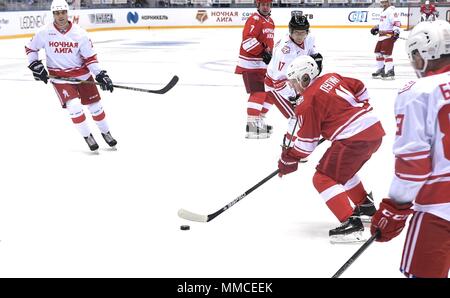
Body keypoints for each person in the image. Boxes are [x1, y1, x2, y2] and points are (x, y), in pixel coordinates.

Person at [370, 20, 450, 278]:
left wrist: (395, 207)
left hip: (439, 208)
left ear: (422, 53)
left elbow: (413, 166)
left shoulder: (418, 92)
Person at [277, 55, 385, 243]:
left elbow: (306, 144)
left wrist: (289, 158)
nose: (292, 87)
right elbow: (359, 86)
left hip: (354, 138)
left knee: (323, 178)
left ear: (305, 77)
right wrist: (363, 106)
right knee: (342, 170)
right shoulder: (331, 77)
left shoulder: (306, 102)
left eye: (294, 82)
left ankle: (351, 224)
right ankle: (366, 208)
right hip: (373, 129)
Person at [25, 0, 117, 152]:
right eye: (56, 13)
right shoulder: (44, 32)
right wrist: (35, 64)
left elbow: (90, 58)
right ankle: (88, 136)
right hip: (60, 77)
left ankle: (106, 132)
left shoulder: (80, 33)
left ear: (67, 13)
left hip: (83, 75)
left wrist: (100, 75)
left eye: (62, 12)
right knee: (74, 106)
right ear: (53, 14)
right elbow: (30, 48)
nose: (60, 16)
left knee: (96, 107)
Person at [264, 12, 323, 137]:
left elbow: (313, 53)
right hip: (276, 86)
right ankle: (289, 147)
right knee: (296, 115)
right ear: (291, 31)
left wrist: (317, 59)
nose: (300, 36)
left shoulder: (309, 38)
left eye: (303, 32)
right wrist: (294, 97)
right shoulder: (285, 51)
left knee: (310, 108)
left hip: (296, 80)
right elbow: (278, 83)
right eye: (297, 32)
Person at [235, 0, 274, 139]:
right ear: (258, 5)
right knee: (258, 93)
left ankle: (259, 122)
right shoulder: (254, 19)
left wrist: (270, 55)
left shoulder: (270, 21)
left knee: (271, 94)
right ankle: (252, 127)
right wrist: (262, 52)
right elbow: (247, 41)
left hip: (262, 64)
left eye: (268, 4)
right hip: (250, 64)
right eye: (263, 4)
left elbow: (268, 43)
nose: (265, 7)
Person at [370, 0, 401, 80]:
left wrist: (396, 31)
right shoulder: (383, 11)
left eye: (385, 2)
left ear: (389, 2)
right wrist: (376, 28)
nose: (383, 4)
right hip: (381, 36)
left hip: (388, 35)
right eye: (382, 2)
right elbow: (383, 23)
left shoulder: (391, 11)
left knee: (386, 54)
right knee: (378, 53)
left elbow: (397, 22)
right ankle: (381, 69)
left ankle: (390, 71)